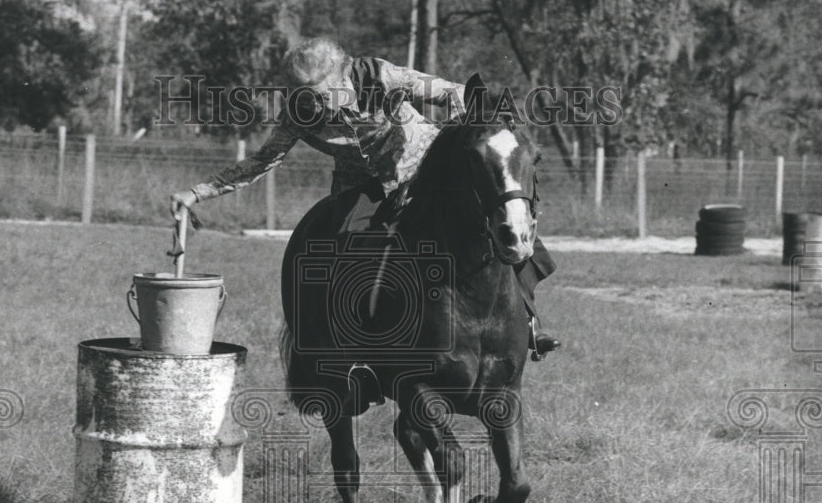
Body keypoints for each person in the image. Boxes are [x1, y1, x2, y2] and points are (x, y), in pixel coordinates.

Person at [171, 37, 559, 358]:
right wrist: (198, 192)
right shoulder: (298, 112)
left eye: (324, 94)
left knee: (506, 227)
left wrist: (466, 136)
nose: (316, 106)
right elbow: (262, 160)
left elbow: (454, 93)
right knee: (341, 247)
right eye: (306, 98)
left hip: (426, 169)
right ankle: (355, 349)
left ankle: (527, 323)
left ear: (345, 75)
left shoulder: (379, 75)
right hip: (363, 188)